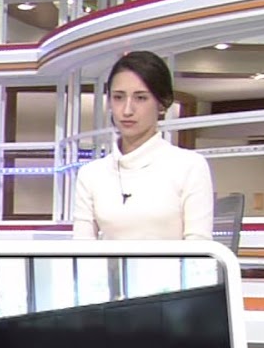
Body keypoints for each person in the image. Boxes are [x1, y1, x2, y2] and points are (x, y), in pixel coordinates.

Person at [72, 51, 213, 240]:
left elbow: (200, 248)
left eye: (140, 98)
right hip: (109, 261)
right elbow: (81, 248)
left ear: (162, 104)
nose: (127, 110)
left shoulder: (190, 166)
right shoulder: (91, 174)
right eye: (118, 97)